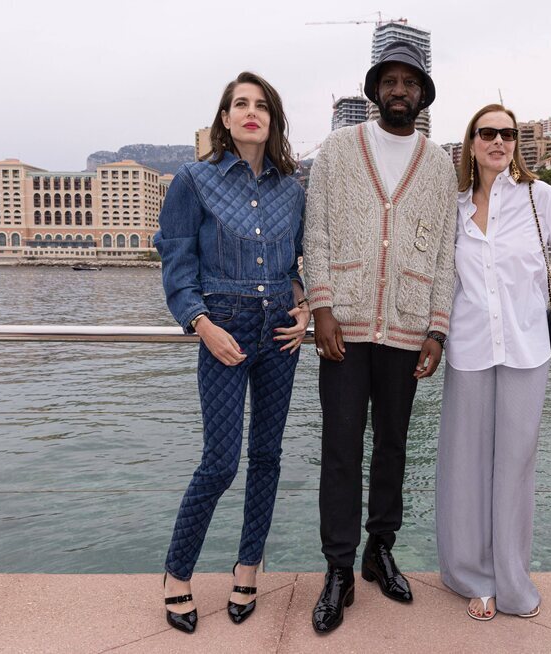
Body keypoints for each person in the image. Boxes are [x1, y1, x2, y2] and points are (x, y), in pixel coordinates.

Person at [436, 104, 551, 622]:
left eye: (508, 134)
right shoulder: (453, 209)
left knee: (514, 466)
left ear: (516, 143)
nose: (499, 141)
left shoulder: (540, 198)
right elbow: (439, 282)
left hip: (525, 347)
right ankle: (471, 575)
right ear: (471, 143)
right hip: (469, 349)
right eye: (488, 133)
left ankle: (513, 580)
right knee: (466, 467)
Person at [303, 41, 457, 634]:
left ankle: (379, 550)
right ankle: (337, 567)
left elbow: (445, 254)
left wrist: (437, 330)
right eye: (390, 81)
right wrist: (321, 308)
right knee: (341, 448)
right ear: (375, 92)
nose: (399, 90)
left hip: (408, 326)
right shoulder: (339, 150)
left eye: (409, 82)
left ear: (421, 95)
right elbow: (316, 232)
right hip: (343, 324)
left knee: (393, 445)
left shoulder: (439, 164)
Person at [155, 72, 308, 634]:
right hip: (224, 330)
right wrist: (200, 323)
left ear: (273, 119)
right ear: (224, 118)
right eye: (239, 104)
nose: (251, 112)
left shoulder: (293, 188)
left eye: (261, 105)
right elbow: (175, 261)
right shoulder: (194, 181)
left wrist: (307, 308)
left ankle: (249, 566)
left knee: (267, 457)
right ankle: (177, 576)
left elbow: (300, 261)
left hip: (280, 335)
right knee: (220, 462)